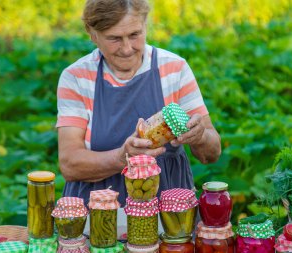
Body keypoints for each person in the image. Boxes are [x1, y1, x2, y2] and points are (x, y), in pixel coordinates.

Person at [56, 0, 221, 206]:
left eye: (134, 35)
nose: (126, 49)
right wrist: (122, 157)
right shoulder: (76, 78)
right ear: (92, 34)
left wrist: (200, 136)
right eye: (114, 38)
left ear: (145, 24)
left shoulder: (174, 69)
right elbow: (70, 164)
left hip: (169, 212)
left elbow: (211, 154)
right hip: (97, 212)